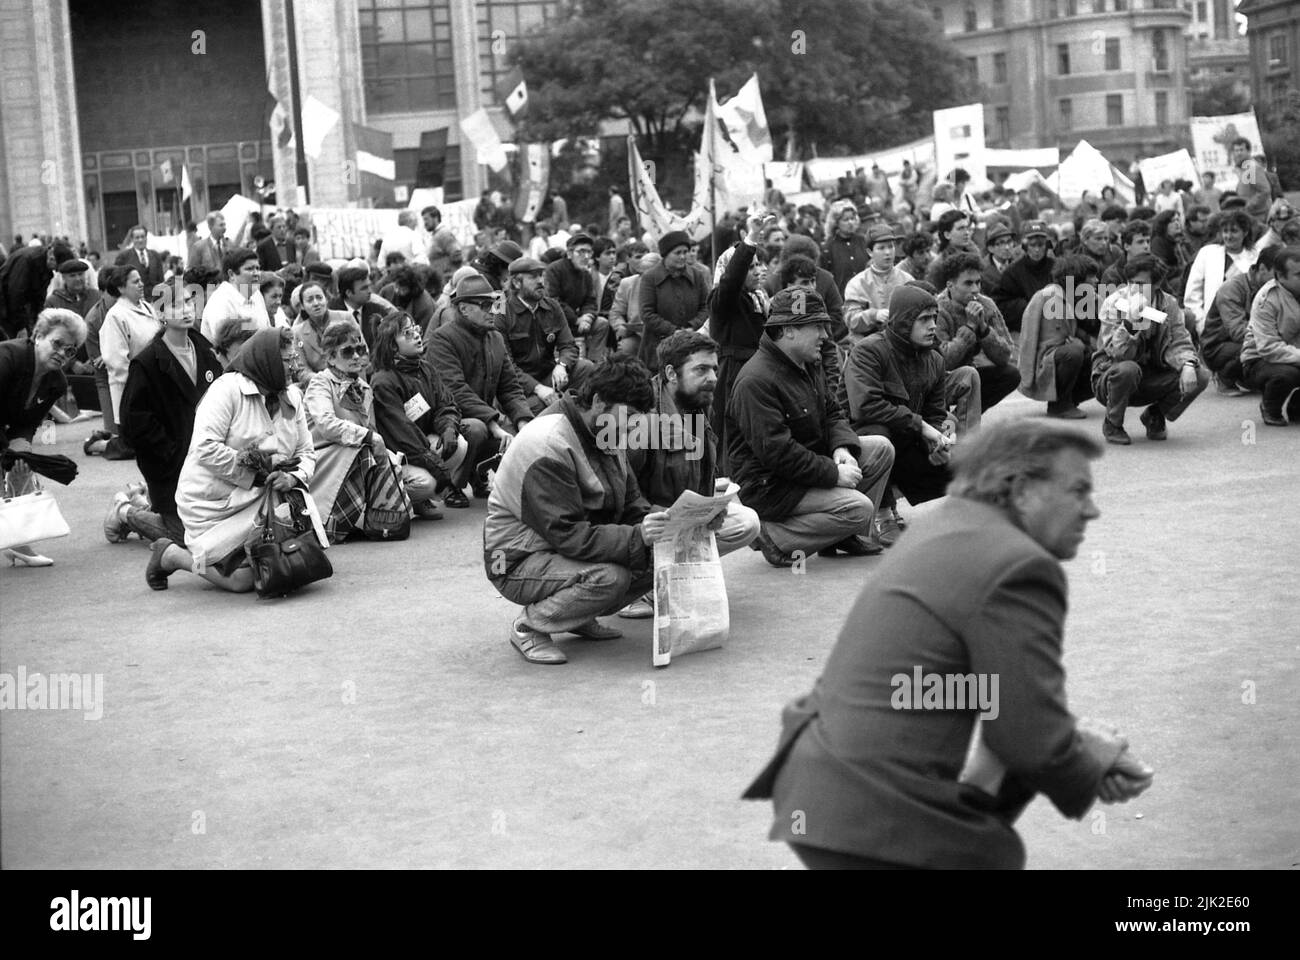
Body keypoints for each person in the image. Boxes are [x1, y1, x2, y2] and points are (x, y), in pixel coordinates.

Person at [744, 419, 1154, 869]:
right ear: (1019, 490)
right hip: (869, 811)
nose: (1091, 510)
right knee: (987, 856)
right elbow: (1026, 737)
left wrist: (1070, 744)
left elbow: (1005, 709)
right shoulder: (1019, 566)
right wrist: (1085, 760)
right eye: (1078, 491)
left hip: (822, 786)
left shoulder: (943, 526)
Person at [483, 355, 665, 665]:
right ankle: (529, 626)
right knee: (611, 578)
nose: (636, 426)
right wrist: (639, 536)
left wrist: (671, 522)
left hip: (561, 548)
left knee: (663, 555)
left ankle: (576, 615)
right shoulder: (547, 443)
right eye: (631, 415)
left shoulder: (606, 431)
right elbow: (568, 535)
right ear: (598, 401)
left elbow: (633, 506)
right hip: (513, 561)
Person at [727, 289, 895, 567]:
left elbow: (832, 411)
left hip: (804, 467)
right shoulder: (755, 381)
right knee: (859, 509)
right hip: (772, 487)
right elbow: (778, 454)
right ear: (790, 330)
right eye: (817, 326)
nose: (825, 335)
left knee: (881, 448)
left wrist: (842, 448)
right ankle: (773, 536)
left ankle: (842, 536)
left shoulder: (805, 362)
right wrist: (833, 474)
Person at [146, 327, 317, 593]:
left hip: (264, 502)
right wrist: (255, 470)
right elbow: (205, 448)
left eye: (296, 359)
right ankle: (174, 556)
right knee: (242, 581)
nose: (295, 368)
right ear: (267, 360)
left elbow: (306, 452)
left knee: (291, 563)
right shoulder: (226, 390)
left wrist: (293, 476)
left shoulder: (292, 395)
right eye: (287, 361)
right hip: (215, 506)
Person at [617, 330, 762, 617]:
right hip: (643, 526)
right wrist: (660, 517)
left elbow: (702, 475)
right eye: (701, 369)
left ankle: (672, 574)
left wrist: (711, 506)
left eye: (714, 369)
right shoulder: (640, 420)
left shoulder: (697, 404)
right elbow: (617, 499)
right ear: (671, 373)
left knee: (745, 520)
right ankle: (635, 588)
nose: (713, 378)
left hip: (679, 515)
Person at [844, 285, 959, 545]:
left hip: (905, 439)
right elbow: (864, 407)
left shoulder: (935, 360)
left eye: (934, 318)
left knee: (958, 461)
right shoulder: (869, 350)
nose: (932, 326)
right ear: (904, 321)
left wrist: (941, 440)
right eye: (924, 319)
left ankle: (895, 499)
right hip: (857, 446)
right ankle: (881, 513)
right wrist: (922, 427)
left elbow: (936, 412)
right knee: (879, 432)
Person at [113, 281, 224, 545]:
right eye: (176, 304)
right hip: (170, 464)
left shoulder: (207, 351)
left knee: (217, 527)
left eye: (188, 302)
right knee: (186, 539)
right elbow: (135, 421)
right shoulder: (147, 362)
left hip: (208, 459)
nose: (186, 309)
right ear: (160, 314)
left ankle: (139, 501)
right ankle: (124, 512)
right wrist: (171, 452)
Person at [303, 320, 421, 537]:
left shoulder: (364, 387)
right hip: (323, 458)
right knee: (366, 451)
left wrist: (374, 442)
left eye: (359, 350)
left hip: (352, 455)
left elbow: (371, 429)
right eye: (347, 352)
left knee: (415, 481)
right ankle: (335, 525)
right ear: (330, 358)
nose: (356, 356)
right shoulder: (320, 383)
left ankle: (375, 518)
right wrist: (368, 437)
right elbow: (327, 425)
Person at [428, 273, 534, 497]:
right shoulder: (442, 339)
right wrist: (495, 423)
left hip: (484, 416)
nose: (493, 310)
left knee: (521, 432)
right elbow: (455, 391)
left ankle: (479, 473)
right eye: (486, 305)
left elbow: (510, 387)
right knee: (477, 429)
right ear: (464, 309)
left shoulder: (495, 338)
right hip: (448, 421)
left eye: (495, 304)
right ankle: (450, 485)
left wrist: (523, 421)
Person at [0, 308, 87, 566]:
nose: (63, 353)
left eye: (70, 350)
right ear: (38, 335)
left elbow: (28, 422)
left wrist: (20, 449)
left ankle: (18, 542)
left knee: (20, 469)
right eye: (57, 344)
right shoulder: (7, 357)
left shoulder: (56, 383)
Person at [1091, 256, 1210, 445]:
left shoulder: (1168, 305)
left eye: (1140, 284)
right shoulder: (1114, 303)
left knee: (1200, 375)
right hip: (1112, 375)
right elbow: (1117, 353)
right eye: (1131, 282)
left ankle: (1155, 415)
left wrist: (1187, 364)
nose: (1133, 289)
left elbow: (1180, 340)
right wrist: (1130, 324)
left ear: (1156, 284)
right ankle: (1113, 423)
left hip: (1152, 373)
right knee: (1128, 369)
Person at [370, 311, 469, 510]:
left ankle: (425, 496)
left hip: (422, 445)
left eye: (415, 329)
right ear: (392, 345)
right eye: (407, 333)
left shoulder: (425, 368)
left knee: (459, 444)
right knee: (427, 483)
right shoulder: (383, 381)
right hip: (399, 453)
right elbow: (402, 434)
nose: (416, 335)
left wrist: (448, 428)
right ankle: (409, 501)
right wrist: (437, 467)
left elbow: (446, 404)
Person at [707, 215, 772, 472]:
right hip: (733, 374)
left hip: (758, 372)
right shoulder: (723, 299)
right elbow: (731, 279)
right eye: (750, 265)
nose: (757, 271)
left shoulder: (758, 298)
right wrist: (751, 238)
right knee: (731, 434)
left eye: (759, 265)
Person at [496, 257, 593, 416]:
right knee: (534, 408)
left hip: (549, 376)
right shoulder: (501, 311)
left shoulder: (552, 306)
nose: (541, 281)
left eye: (541, 275)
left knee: (586, 368)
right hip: (519, 387)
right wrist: (538, 388)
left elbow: (569, 345)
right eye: (533, 277)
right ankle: (565, 409)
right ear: (516, 283)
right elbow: (506, 365)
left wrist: (562, 365)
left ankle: (573, 412)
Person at [934, 251, 1020, 416]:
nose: (975, 289)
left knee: (1011, 375)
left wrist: (984, 329)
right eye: (968, 283)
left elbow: (1006, 355)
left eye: (978, 282)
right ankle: (948, 425)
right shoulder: (938, 309)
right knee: (945, 433)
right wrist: (970, 327)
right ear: (950, 285)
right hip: (940, 381)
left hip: (970, 373)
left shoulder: (986, 305)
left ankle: (966, 417)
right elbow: (942, 362)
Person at [1017, 254, 1103, 419]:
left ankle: (1070, 399)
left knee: (1098, 357)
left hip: (1058, 355)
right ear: (1076, 280)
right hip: (1044, 362)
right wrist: (1083, 345)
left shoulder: (1081, 297)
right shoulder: (1050, 297)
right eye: (1091, 276)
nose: (1096, 280)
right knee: (1074, 353)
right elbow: (1052, 343)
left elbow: (1111, 307)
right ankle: (1059, 405)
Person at [1202, 245, 1278, 396]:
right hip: (1220, 346)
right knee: (1263, 348)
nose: (1281, 280)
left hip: (1254, 339)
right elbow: (1238, 332)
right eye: (1277, 274)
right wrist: (1274, 341)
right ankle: (1225, 375)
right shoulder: (1231, 288)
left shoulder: (1273, 288)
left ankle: (1247, 377)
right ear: (1262, 269)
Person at [99, 265, 162, 447]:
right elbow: (116, 361)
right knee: (134, 446)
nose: (141, 284)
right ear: (121, 288)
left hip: (153, 384)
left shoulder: (148, 307)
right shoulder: (115, 316)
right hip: (131, 388)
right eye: (135, 282)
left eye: (141, 280)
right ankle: (97, 444)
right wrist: (139, 385)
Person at [1240, 246, 1300, 426]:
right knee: (1287, 374)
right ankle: (1270, 407)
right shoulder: (1267, 299)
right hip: (1259, 360)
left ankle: (1296, 407)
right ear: (1281, 276)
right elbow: (1268, 348)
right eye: (1299, 274)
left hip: (1294, 353)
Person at [638, 231, 709, 372]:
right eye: (677, 253)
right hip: (657, 348)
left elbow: (706, 307)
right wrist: (673, 331)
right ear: (665, 254)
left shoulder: (697, 276)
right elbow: (647, 313)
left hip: (692, 343)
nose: (683, 256)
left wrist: (691, 327)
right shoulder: (650, 278)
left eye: (685, 252)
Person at [1183, 209, 1257, 335]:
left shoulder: (1255, 257)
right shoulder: (1207, 253)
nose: (1228, 236)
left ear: (1245, 232)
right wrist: (1202, 322)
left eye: (1234, 231)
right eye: (1225, 231)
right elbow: (1193, 295)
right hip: (1210, 324)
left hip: (1244, 324)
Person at [842, 225, 913, 343]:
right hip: (866, 347)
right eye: (881, 248)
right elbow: (851, 320)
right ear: (870, 252)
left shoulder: (907, 280)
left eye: (891, 247)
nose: (888, 252)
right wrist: (873, 315)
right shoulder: (857, 284)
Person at [0, 240, 75, 339]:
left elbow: (39, 298)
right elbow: (16, 295)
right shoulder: (27, 260)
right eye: (56, 267)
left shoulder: (46, 265)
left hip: (19, 310)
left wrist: (37, 323)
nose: (56, 271)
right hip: (5, 309)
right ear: (51, 257)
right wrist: (21, 327)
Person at [992, 220, 1055, 335]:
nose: (1037, 250)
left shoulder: (1056, 268)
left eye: (1040, 245)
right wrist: (1031, 307)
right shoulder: (1012, 272)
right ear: (1025, 246)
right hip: (1024, 329)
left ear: (1047, 246)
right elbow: (1001, 305)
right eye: (1032, 245)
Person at [200, 247, 271, 343]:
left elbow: (266, 329)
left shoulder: (256, 294)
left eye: (257, 268)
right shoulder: (220, 301)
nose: (256, 273)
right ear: (231, 274)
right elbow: (227, 345)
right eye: (249, 269)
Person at [610, 249, 658, 359]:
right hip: (636, 336)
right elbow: (616, 312)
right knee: (626, 347)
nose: (644, 279)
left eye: (649, 275)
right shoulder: (628, 283)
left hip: (662, 336)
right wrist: (620, 326)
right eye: (641, 274)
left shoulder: (667, 286)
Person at [329, 265, 387, 348]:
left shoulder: (378, 311)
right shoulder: (332, 313)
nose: (369, 291)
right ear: (348, 293)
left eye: (369, 286)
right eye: (364, 288)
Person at [819, 201, 869, 294]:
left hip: (866, 294)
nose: (850, 222)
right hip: (843, 298)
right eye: (845, 220)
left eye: (852, 218)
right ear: (836, 222)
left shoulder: (863, 241)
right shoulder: (828, 247)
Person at [1231, 138, 1272, 220]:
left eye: (1241, 150)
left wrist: (1248, 206)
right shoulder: (1245, 167)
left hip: (1257, 215)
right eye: (1236, 150)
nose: (1238, 153)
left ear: (1248, 151)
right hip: (1251, 215)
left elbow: (1264, 191)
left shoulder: (1252, 168)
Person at [114, 226, 165, 292]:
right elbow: (118, 281)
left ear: (146, 238)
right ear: (132, 239)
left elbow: (161, 280)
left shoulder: (155, 255)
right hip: (134, 299)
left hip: (155, 298)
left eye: (143, 237)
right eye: (137, 238)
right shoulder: (123, 257)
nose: (140, 240)